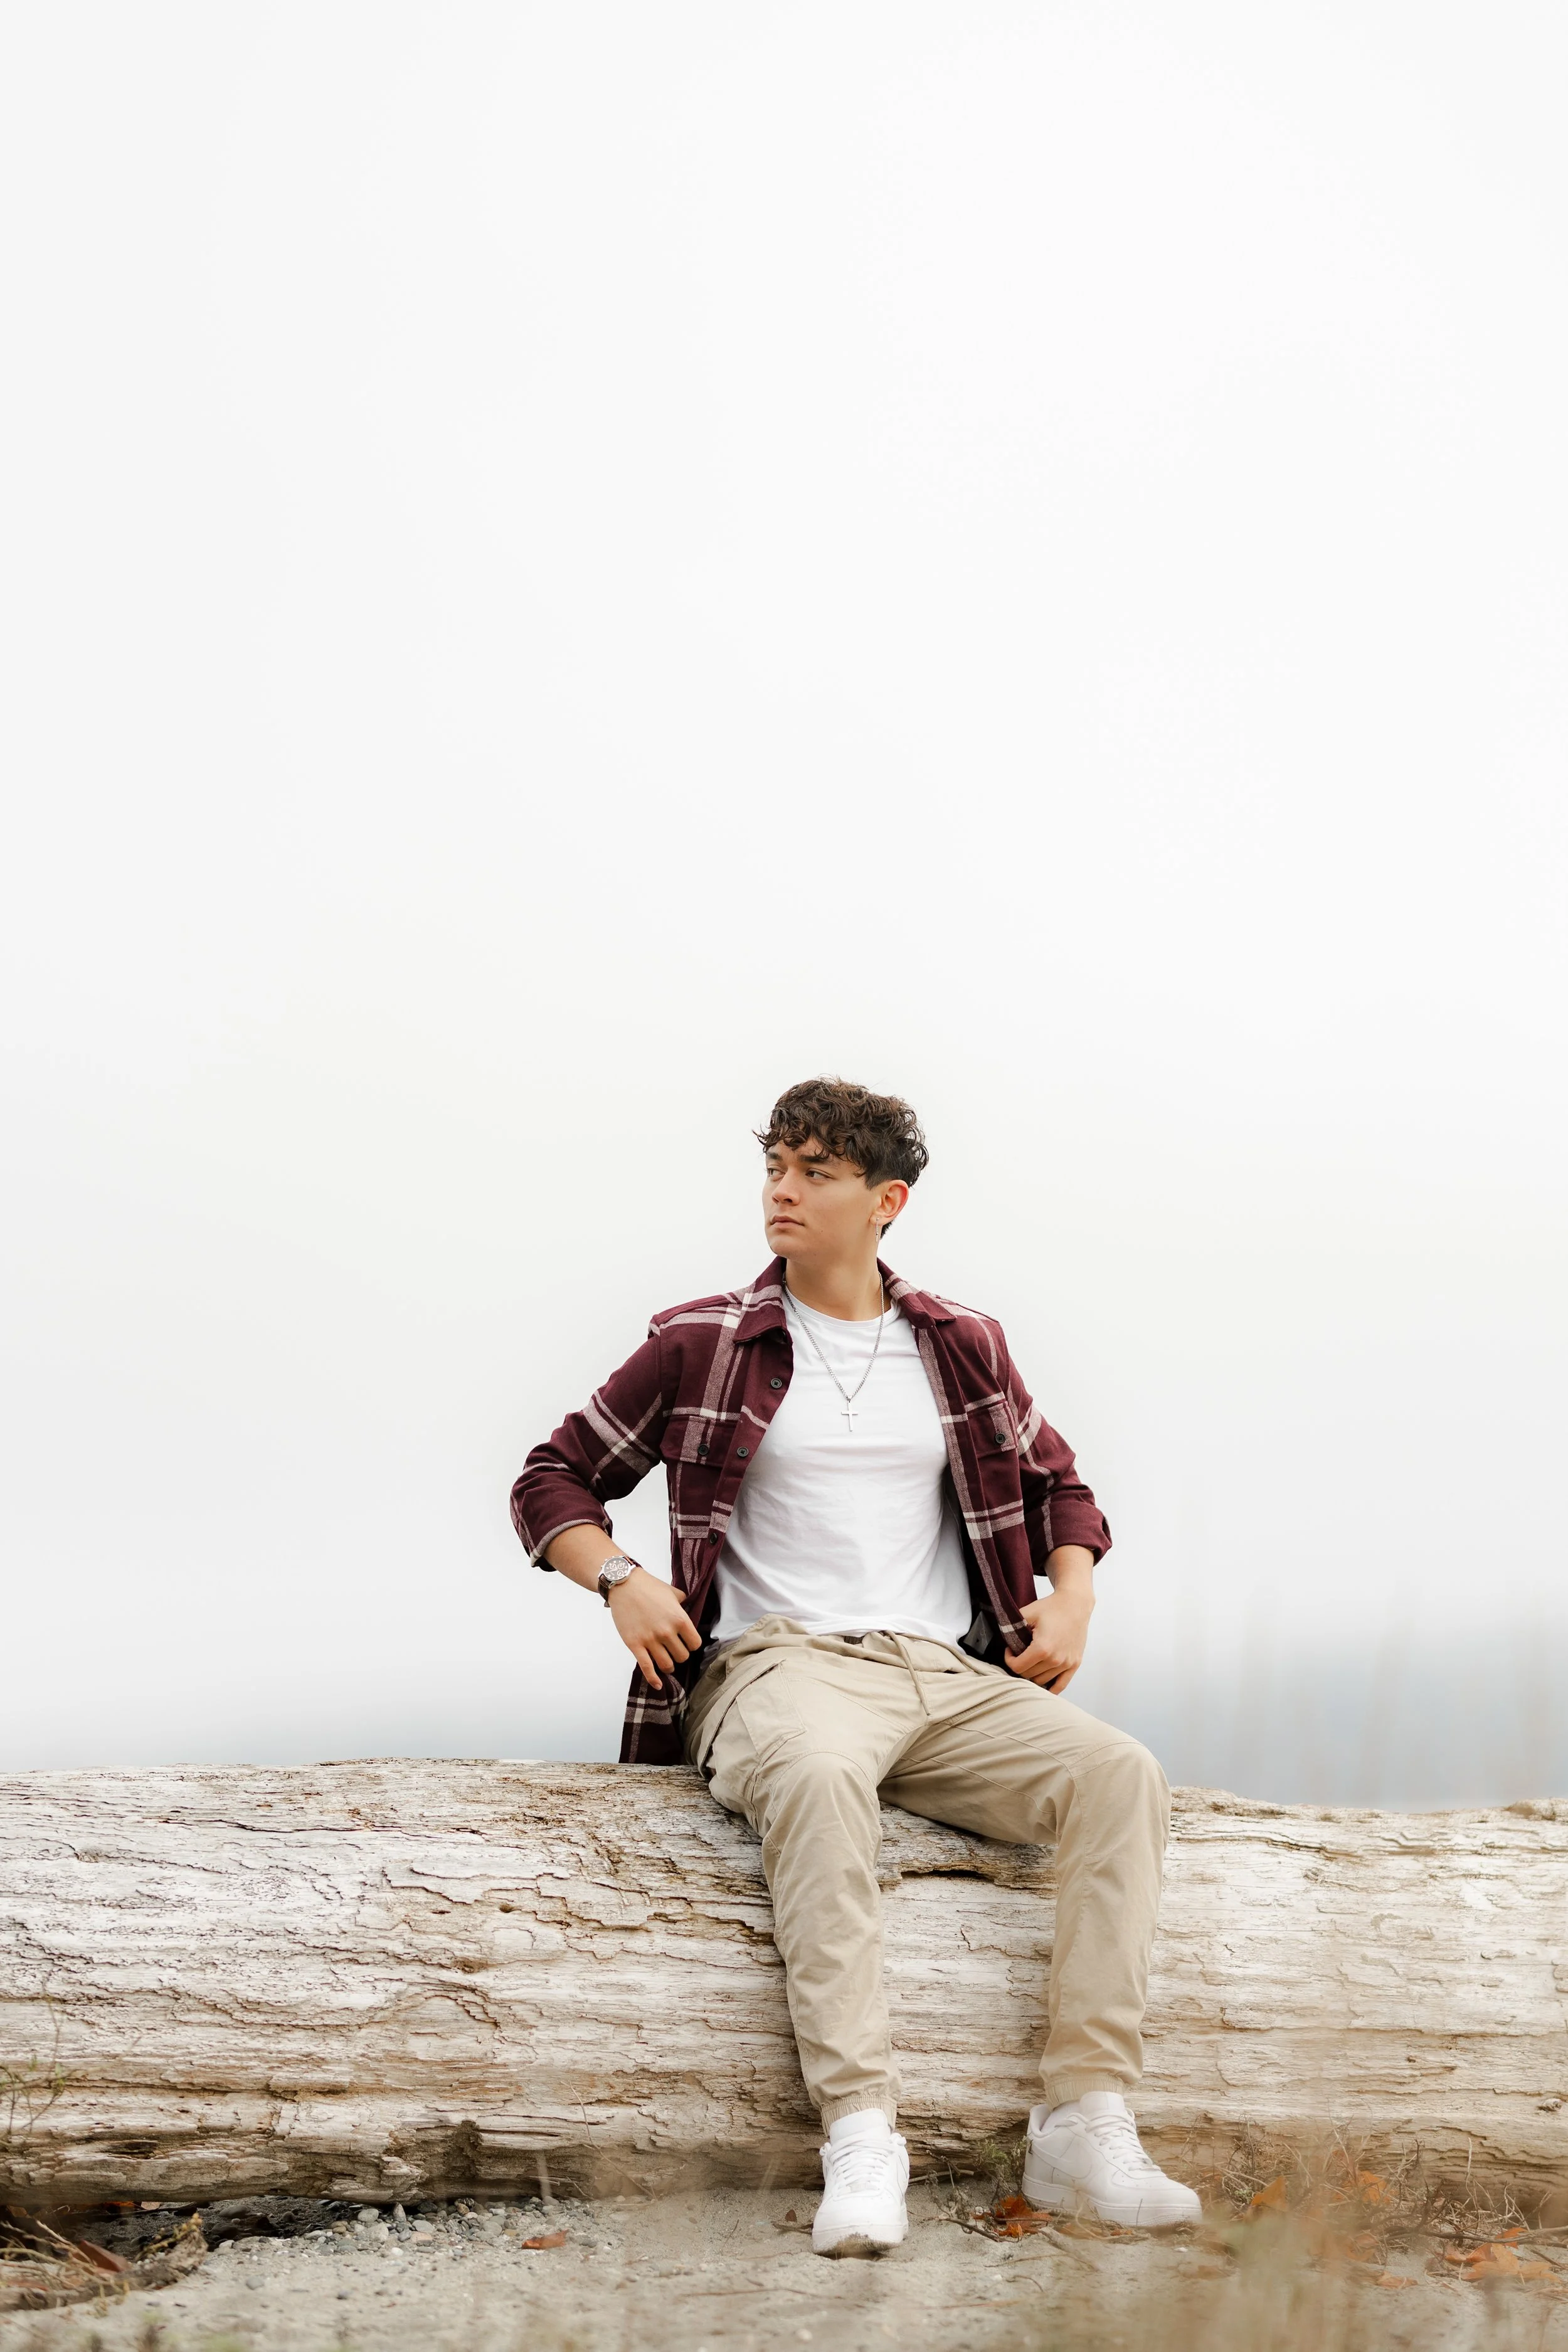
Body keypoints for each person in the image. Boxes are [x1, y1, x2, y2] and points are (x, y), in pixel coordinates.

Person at [511, 1076, 1201, 2257]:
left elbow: (1063, 1488)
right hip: (775, 1668)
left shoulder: (960, 1345)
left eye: (816, 1169)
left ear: (886, 1201)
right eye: (776, 1162)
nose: (783, 1187)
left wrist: (1072, 1597)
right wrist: (620, 1580)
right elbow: (552, 1477)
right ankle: (863, 2132)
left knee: (1120, 1775)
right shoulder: (702, 1340)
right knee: (823, 1782)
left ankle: (1083, 2121)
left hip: (948, 1673)